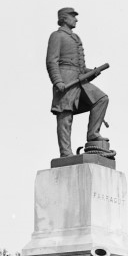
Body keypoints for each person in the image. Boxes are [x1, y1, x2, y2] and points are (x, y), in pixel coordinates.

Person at [45, 8, 109, 157]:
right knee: (65, 116)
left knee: (101, 99)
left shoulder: (76, 37)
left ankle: (93, 134)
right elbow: (51, 62)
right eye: (73, 16)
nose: (76, 19)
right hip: (66, 80)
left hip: (79, 80)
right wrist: (57, 81)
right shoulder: (57, 36)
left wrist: (91, 73)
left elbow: (78, 67)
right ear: (64, 18)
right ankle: (66, 152)